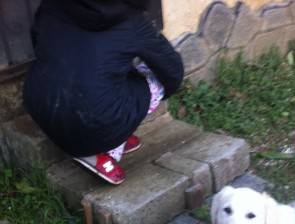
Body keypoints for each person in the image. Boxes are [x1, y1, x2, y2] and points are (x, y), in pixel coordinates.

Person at [23, 0, 184, 185]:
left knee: (96, 78)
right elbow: (173, 71)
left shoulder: (52, 5)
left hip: (40, 105)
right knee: (158, 80)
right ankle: (109, 147)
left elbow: (37, 41)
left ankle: (112, 134)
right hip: (96, 121)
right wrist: (161, 94)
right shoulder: (133, 21)